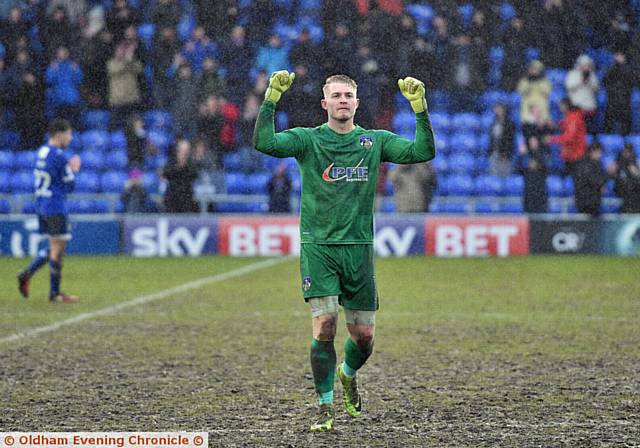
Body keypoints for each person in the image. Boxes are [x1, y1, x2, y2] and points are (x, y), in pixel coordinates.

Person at [253, 71, 435, 432]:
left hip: (359, 250)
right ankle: (324, 406)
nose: (341, 101)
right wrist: (271, 98)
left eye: (347, 96)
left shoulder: (374, 141)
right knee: (324, 326)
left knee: (363, 338)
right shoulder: (307, 140)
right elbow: (264, 143)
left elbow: (422, 151)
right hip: (319, 247)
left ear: (356, 103)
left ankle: (348, 373)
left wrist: (419, 108)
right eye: (335, 95)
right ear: (324, 103)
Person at [17, 119, 81, 303]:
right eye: (69, 134)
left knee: (55, 247)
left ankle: (29, 275)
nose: (70, 138)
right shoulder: (60, 156)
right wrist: (74, 170)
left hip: (42, 205)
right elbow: (70, 186)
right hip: (55, 205)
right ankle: (54, 293)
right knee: (58, 249)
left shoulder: (42, 152)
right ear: (59, 134)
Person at [548, 98, 587, 179]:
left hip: (576, 155)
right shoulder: (571, 115)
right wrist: (556, 125)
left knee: (575, 180)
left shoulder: (574, 118)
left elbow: (569, 138)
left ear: (565, 106)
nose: (559, 108)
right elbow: (566, 124)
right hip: (571, 154)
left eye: (561, 106)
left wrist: (552, 139)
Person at [162, 139, 199, 213]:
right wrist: (178, 166)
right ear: (178, 149)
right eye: (183, 149)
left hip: (186, 198)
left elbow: (194, 175)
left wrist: (184, 165)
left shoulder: (192, 163)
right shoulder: (171, 161)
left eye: (187, 149)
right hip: (172, 197)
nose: (185, 151)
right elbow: (166, 174)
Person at [573, 144, 608, 217]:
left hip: (593, 200)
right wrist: (601, 185)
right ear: (592, 152)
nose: (600, 155)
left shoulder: (597, 164)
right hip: (586, 200)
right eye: (599, 153)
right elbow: (590, 179)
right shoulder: (585, 164)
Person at [516, 137, 548, 213]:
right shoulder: (525, 155)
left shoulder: (542, 154)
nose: (533, 143)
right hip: (529, 192)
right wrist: (521, 155)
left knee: (541, 214)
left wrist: (538, 165)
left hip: (540, 191)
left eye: (535, 141)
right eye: (531, 141)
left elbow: (547, 169)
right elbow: (518, 169)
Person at [488, 103, 516, 177]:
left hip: (505, 155)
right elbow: (492, 138)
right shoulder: (493, 123)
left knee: (505, 175)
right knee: (494, 176)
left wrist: (506, 153)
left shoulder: (509, 123)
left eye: (499, 108)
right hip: (494, 152)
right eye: (496, 108)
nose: (497, 110)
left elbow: (510, 140)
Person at [612, 143, 640, 213]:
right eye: (625, 151)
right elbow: (614, 178)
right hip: (623, 192)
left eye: (629, 151)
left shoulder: (635, 163)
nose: (627, 154)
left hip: (634, 193)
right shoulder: (619, 163)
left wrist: (636, 173)